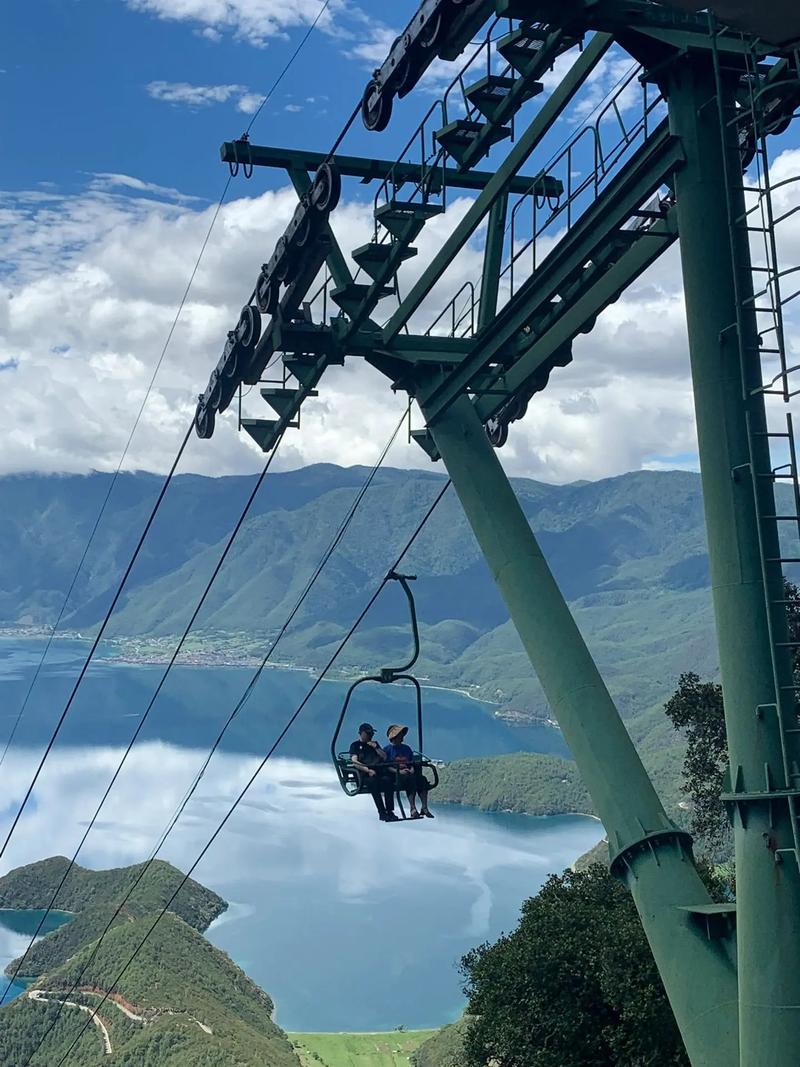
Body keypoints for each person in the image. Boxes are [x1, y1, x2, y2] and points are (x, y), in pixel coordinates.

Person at [349, 722, 398, 822]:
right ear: (361, 733)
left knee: (388, 781)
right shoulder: (355, 745)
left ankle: (390, 811)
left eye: (371, 734)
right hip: (366, 774)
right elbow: (354, 761)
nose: (370, 736)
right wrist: (367, 770)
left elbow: (384, 757)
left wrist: (376, 747)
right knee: (373, 783)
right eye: (368, 734)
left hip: (379, 771)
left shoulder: (374, 744)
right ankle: (381, 812)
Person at [384, 724, 433, 819]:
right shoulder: (387, 750)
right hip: (396, 775)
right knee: (409, 780)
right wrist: (398, 772)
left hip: (408, 772)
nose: (402, 738)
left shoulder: (406, 749)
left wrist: (411, 769)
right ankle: (413, 808)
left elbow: (411, 763)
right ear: (394, 737)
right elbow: (386, 766)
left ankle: (424, 807)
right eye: (400, 736)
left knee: (421, 780)